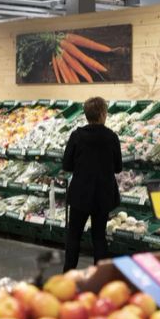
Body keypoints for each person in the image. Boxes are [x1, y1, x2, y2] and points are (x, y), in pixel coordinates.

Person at [62, 96, 122, 271]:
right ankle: (100, 275)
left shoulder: (77, 135)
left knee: (74, 236)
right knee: (99, 237)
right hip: (103, 195)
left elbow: (67, 165)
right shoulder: (111, 137)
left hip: (80, 193)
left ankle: (68, 273)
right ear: (103, 114)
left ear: (86, 114)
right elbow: (118, 168)